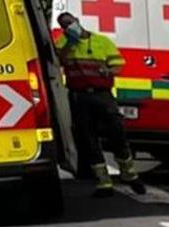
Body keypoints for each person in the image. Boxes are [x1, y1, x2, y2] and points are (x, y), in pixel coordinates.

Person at [55, 11, 146, 197]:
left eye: (70, 23)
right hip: (79, 96)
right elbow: (57, 60)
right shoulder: (63, 43)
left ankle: (129, 174)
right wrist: (69, 43)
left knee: (116, 133)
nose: (68, 27)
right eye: (64, 25)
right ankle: (104, 181)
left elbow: (118, 64)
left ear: (77, 21)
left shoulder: (101, 42)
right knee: (87, 138)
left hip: (102, 95)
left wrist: (108, 69)